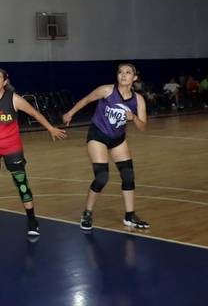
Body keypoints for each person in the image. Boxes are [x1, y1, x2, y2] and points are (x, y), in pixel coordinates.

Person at [0, 69, 66, 235]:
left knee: (21, 184)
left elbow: (34, 113)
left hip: (12, 148)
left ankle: (32, 220)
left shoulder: (14, 99)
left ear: (5, 82)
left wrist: (50, 128)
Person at [62, 63, 149, 231]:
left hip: (117, 139)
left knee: (128, 175)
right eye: (120, 72)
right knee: (102, 177)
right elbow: (87, 99)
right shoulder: (107, 90)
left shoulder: (138, 100)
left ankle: (130, 216)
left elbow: (143, 127)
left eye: (128, 72)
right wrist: (70, 113)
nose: (123, 75)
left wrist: (134, 118)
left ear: (135, 77)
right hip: (98, 135)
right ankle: (87, 213)